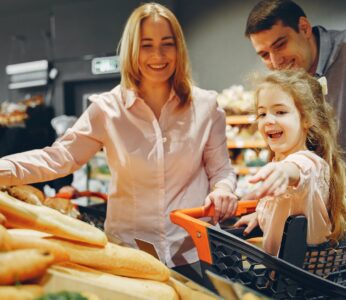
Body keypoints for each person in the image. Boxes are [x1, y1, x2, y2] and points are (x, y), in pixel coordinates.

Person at [0, 2, 238, 278]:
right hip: (129, 251)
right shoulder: (108, 109)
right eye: (146, 45)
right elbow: (61, 157)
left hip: (191, 249)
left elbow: (221, 170)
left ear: (179, 48)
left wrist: (223, 190)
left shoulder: (206, 106)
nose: (158, 55)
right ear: (132, 49)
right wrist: (4, 170)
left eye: (167, 43)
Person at [244, 0, 346, 228]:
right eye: (264, 54)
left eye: (280, 44)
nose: (276, 61)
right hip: (342, 224)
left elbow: (303, 168)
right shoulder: (290, 81)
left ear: (304, 27)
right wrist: (268, 214)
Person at [235, 69, 346, 256]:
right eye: (262, 114)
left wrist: (283, 172)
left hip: (303, 280)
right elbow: (289, 206)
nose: (268, 120)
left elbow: (298, 171)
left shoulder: (311, 163)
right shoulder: (280, 160)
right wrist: (260, 215)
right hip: (283, 276)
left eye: (280, 112)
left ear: (306, 119)